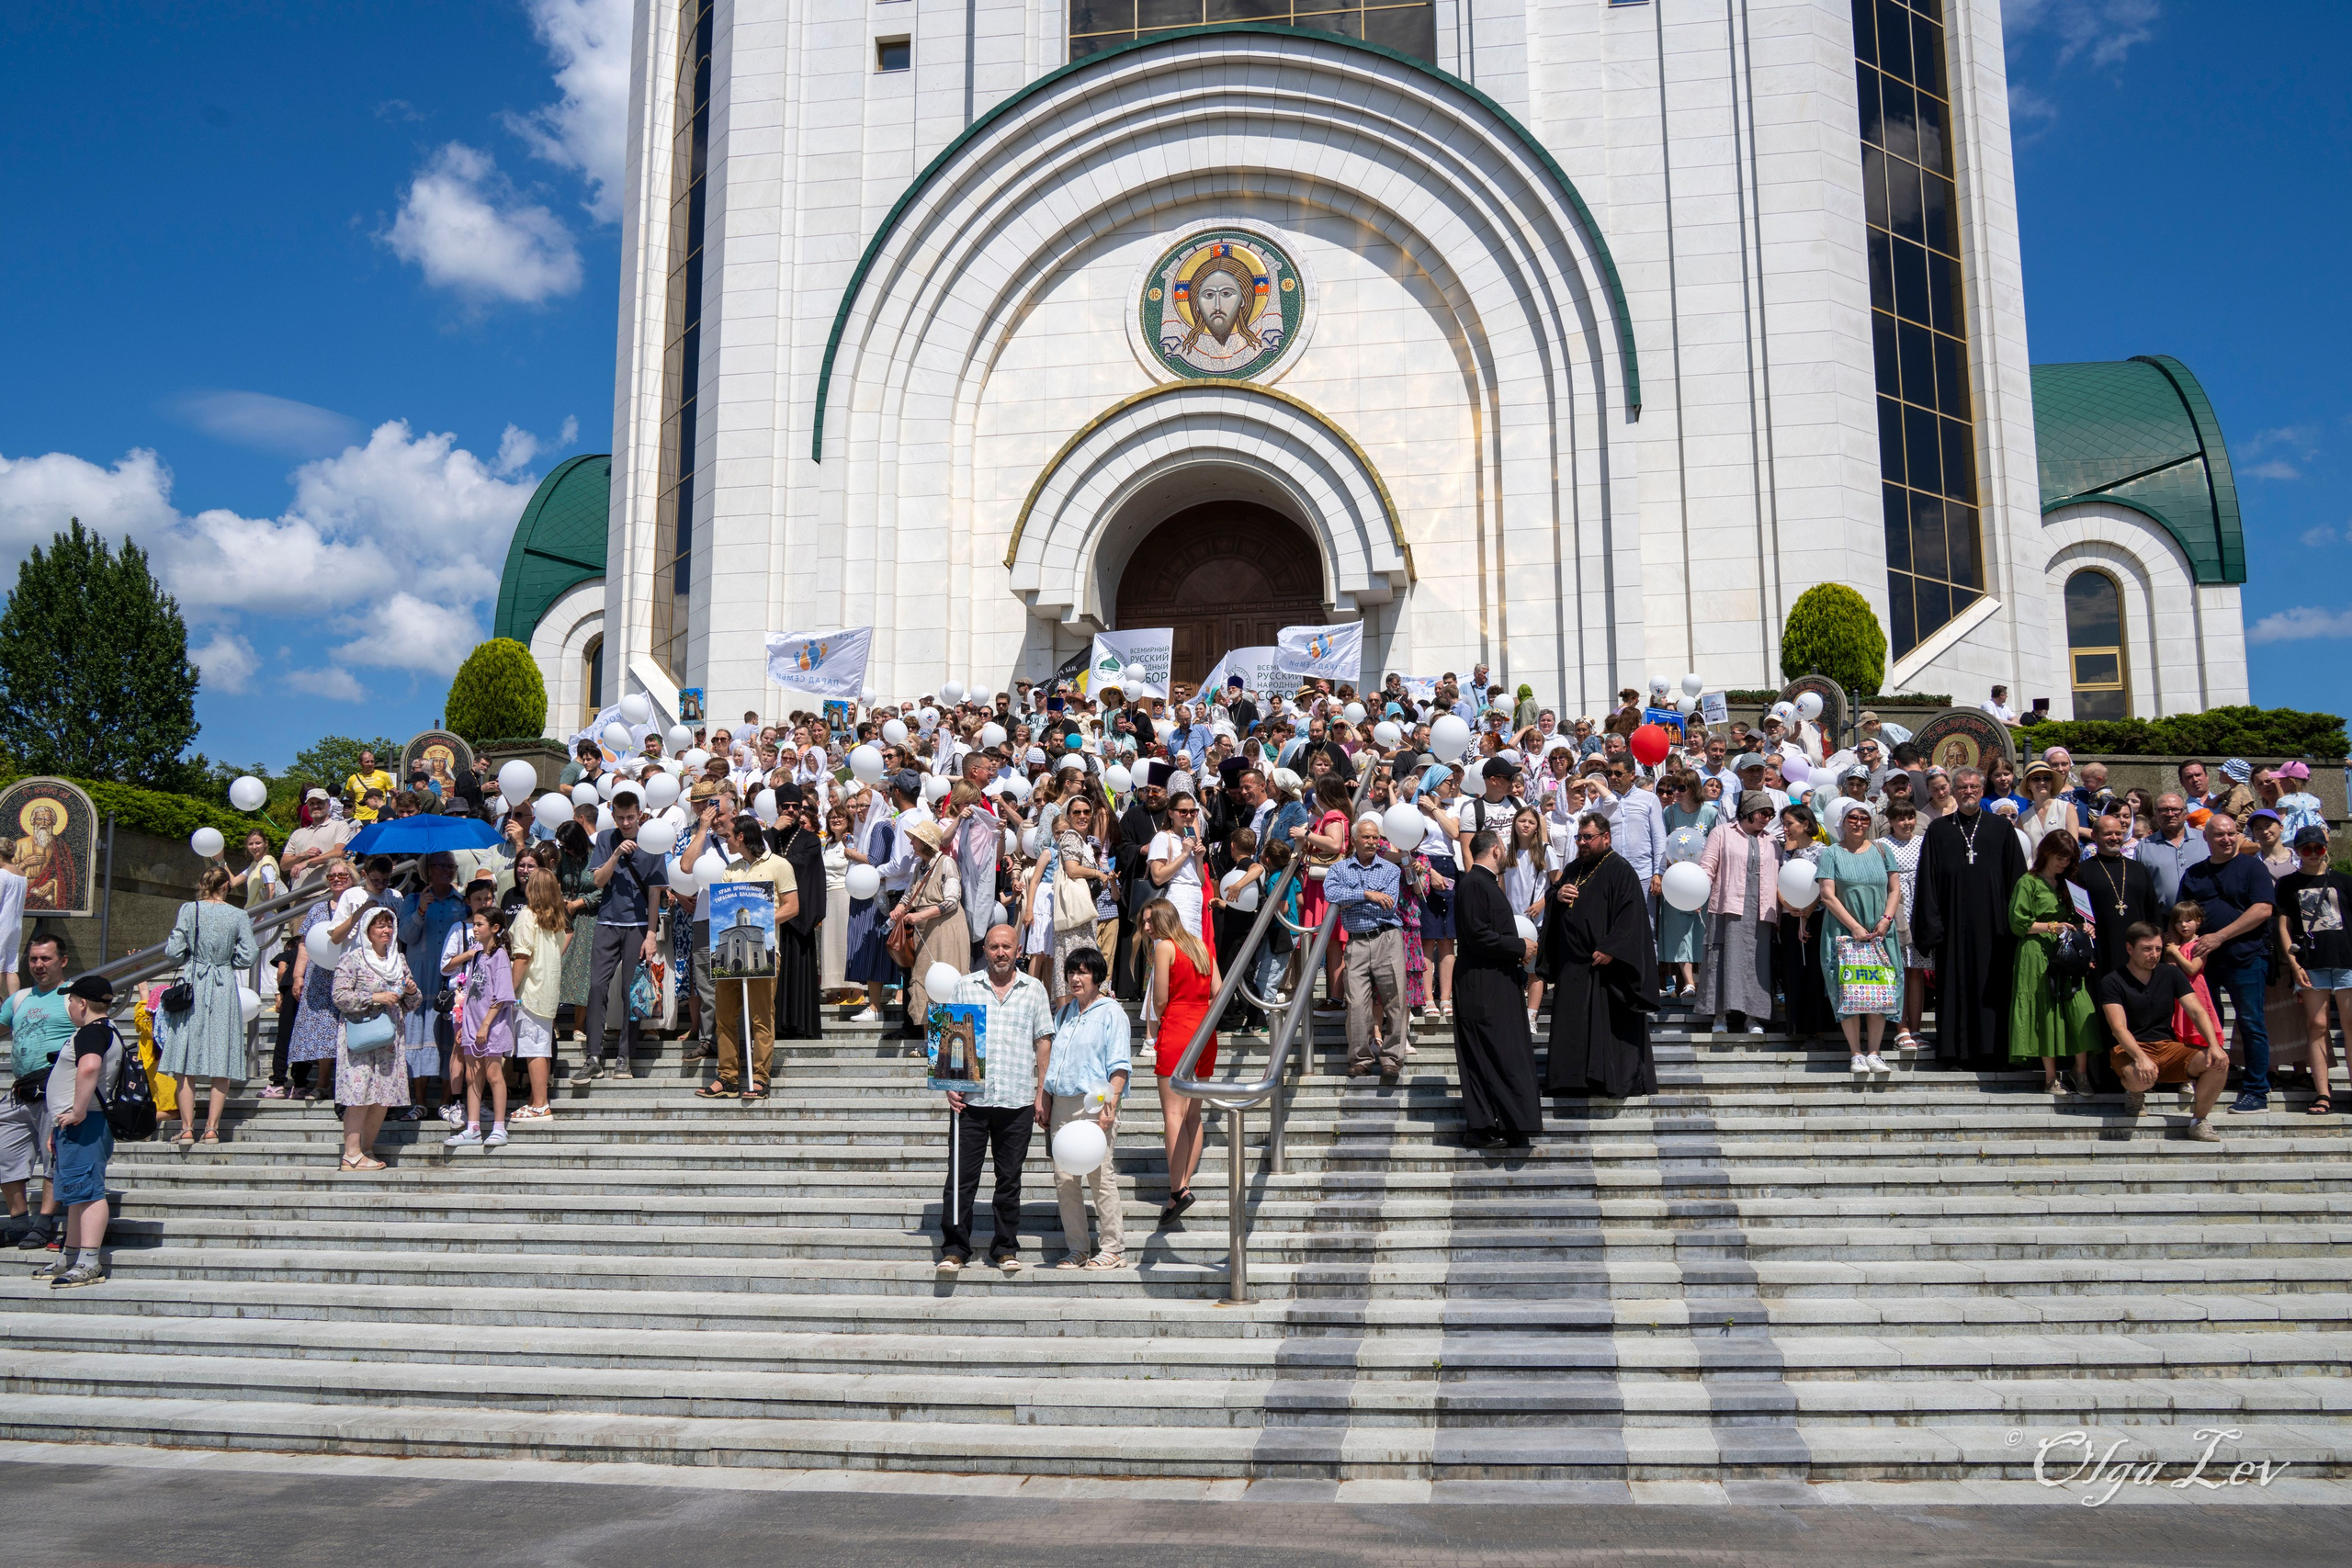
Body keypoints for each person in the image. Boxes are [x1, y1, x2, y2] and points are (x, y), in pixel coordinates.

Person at [937, 924, 1055, 1273]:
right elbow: (949, 1033)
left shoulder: (1034, 989)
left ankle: (1004, 1248)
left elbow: (1043, 1041)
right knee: (960, 1178)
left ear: (1018, 950)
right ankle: (955, 1248)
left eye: (1007, 946)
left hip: (1017, 1098)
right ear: (984, 950)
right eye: (993, 947)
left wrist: (1041, 1091)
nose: (1000, 952)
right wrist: (948, 1083)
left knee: (1009, 1179)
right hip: (971, 1101)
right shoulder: (965, 985)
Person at [1911, 768, 2028, 1068]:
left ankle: (1993, 1052)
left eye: (1974, 786)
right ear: (1952, 790)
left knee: (1992, 989)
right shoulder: (1939, 830)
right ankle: (1954, 1052)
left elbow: (2017, 880)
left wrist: (2016, 924)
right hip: (1953, 928)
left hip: (1995, 928)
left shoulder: (2001, 829)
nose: (1968, 791)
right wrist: (1931, 927)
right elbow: (1927, 882)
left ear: (1981, 789)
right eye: (1962, 787)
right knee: (1954, 988)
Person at [1539, 812, 1657, 1099]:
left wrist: (1612, 948)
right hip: (1572, 965)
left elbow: (1632, 916)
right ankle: (1569, 1081)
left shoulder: (1620, 869)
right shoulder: (1572, 868)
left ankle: (1607, 1081)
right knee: (1572, 1026)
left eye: (1587, 837)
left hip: (1604, 966)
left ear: (1606, 838)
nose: (1582, 843)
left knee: (1606, 1027)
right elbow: (1553, 899)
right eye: (1579, 838)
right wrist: (1557, 895)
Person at [1451, 829, 1544, 1147]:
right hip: (1482, 986)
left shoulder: (1483, 884)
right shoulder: (1474, 883)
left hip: (1494, 983)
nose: (1505, 855)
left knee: (1501, 1053)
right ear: (1495, 851)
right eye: (1503, 849)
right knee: (1489, 1054)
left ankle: (1506, 1123)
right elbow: (1477, 936)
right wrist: (1520, 946)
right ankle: (1485, 1126)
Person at [2180, 813, 2278, 1112]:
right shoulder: (2195, 873)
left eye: (2231, 834)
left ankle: (2256, 1091)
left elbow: (2263, 909)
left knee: (2251, 1023)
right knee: (2204, 1023)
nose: (2226, 839)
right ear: (2206, 839)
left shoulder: (2252, 867)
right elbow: (2181, 914)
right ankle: (2208, 1076)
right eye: (2219, 835)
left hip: (2246, 957)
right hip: (2203, 962)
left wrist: (2219, 936)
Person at [1039, 948, 1130, 1269]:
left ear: (1097, 977)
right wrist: (1044, 1098)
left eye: (1083, 972)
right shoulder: (1064, 1013)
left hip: (1094, 1103)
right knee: (1064, 1178)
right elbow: (1053, 1065)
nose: (1075, 978)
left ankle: (1113, 1248)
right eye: (1071, 972)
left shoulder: (1111, 1012)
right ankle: (1077, 1247)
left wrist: (1111, 1104)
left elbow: (1120, 1064)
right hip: (1062, 1104)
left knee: (1100, 1175)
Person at [156, 864, 259, 1145]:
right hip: (223, 984)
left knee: (185, 1058)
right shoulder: (239, 914)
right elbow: (250, 954)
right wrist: (227, 962)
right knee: (221, 1056)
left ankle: (188, 1128)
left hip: (194, 982)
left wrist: (192, 955)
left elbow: (174, 951)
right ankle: (212, 1129)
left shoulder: (189, 909)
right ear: (227, 886)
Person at [2094, 922, 2228, 1138]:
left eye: (2158, 949)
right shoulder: (2113, 981)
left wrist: (2214, 1045)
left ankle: (2199, 1121)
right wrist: (2140, 1057)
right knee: (2142, 1077)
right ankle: (2135, 1093)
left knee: (2219, 1062)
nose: (2154, 954)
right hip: (2129, 1049)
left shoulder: (2171, 974)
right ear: (2130, 949)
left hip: (2167, 1047)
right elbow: (2118, 1028)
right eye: (2147, 949)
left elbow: (2196, 1011)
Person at [35, 974, 125, 1287]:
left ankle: (88, 1261)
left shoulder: (91, 1033)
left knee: (88, 1192)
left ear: (82, 1003)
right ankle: (71, 1254)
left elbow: (88, 1067)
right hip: (78, 1124)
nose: (69, 1006)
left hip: (85, 1122)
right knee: (75, 1192)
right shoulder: (106, 1030)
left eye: (71, 1001)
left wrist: (77, 1109)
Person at [578, 790, 668, 1080]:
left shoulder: (652, 839)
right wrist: (616, 854)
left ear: (639, 814)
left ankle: (624, 1057)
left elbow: (655, 893)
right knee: (596, 987)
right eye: (620, 818)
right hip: (607, 922)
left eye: (631, 817)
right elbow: (597, 880)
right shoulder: (605, 839)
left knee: (632, 992)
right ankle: (593, 1056)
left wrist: (652, 934)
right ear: (613, 815)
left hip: (639, 926)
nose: (626, 823)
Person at [711, 812, 800, 1099]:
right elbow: (723, 910)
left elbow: (793, 906)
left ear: (742, 837)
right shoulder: (731, 870)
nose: (725, 841)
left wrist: (764, 917)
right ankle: (727, 1077)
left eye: (729, 836)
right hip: (728, 949)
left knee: (761, 1016)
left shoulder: (779, 865)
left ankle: (760, 1077)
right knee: (724, 1015)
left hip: (763, 950)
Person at [1144, 897, 1219, 1218]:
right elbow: (1218, 989)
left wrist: (1167, 1017)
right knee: (1192, 1116)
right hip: (1204, 1031)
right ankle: (1183, 1185)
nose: (1146, 927)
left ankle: (1178, 1190)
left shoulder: (1165, 947)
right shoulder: (1201, 945)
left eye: (1149, 921)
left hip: (1177, 1029)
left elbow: (1159, 999)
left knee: (1173, 1115)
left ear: (1163, 920)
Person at [2010, 829, 2099, 1097]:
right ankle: (2051, 1078)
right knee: (2045, 1010)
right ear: (2047, 853)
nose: (2064, 863)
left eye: (2069, 859)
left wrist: (2086, 927)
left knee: (2080, 1008)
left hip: (2067, 952)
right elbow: (2017, 923)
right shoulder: (2029, 881)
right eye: (2060, 858)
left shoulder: (2068, 883)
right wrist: (2052, 926)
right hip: (2037, 952)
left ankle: (2080, 1072)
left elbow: (2077, 917)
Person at [1817, 800, 1903, 1075]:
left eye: (1864, 818)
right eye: (1853, 818)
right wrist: (1854, 926)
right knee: (1849, 990)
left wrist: (1886, 920)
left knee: (1878, 990)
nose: (1858, 823)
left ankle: (1875, 1052)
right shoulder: (1831, 853)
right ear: (1842, 821)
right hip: (1845, 931)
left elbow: (1894, 888)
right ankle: (1855, 1052)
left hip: (1879, 931)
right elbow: (1827, 895)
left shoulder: (1882, 849)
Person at [0, 935, 74, 1251]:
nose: (38, 966)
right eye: (33, 960)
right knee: (4, 1155)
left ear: (63, 961)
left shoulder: (75, 998)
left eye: (46, 959)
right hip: (19, 1092)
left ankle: (43, 1223)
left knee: (52, 1158)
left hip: (55, 1091)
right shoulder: (19, 999)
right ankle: (19, 1222)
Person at [332, 906, 417, 1169]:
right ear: (368, 930)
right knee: (360, 1093)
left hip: (390, 1039)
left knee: (383, 1096)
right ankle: (351, 1154)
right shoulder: (352, 959)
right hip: (362, 1035)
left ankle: (365, 1150)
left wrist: (412, 991)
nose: (387, 930)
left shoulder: (398, 960)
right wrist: (374, 997)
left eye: (389, 925)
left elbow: (412, 1003)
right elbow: (339, 996)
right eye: (380, 925)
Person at [1324, 818, 1409, 1077]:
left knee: (1395, 999)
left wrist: (1351, 898)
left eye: (1376, 838)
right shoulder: (1339, 869)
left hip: (1387, 938)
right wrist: (1367, 894)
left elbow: (1390, 904)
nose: (1372, 842)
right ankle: (1360, 1058)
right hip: (1357, 941)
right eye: (1367, 837)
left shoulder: (1390, 869)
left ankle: (1392, 1057)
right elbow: (1331, 893)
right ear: (1354, 840)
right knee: (1357, 1003)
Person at [2274, 824, 2349, 1116]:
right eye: (2307, 849)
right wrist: (2292, 964)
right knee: (2317, 1026)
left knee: (2350, 1025)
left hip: (2346, 960)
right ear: (2298, 852)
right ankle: (2322, 1093)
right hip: (2310, 963)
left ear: (2325, 849)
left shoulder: (2344, 881)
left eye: (2318, 848)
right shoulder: (2288, 884)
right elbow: (2283, 925)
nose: (2313, 853)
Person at [1695, 794, 1782, 1035]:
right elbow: (1707, 866)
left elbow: (1780, 878)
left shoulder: (1772, 841)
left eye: (1771, 815)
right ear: (1748, 811)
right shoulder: (1722, 832)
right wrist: (1696, 892)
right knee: (1721, 958)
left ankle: (1753, 1017)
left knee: (1757, 964)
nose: (1767, 819)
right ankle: (1719, 1016)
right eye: (1763, 813)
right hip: (1727, 906)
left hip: (1762, 910)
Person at [443, 908, 517, 1147]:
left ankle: (498, 1127)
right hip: (472, 1025)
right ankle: (472, 1128)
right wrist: (465, 1025)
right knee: (471, 1075)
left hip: (491, 1027)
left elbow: (502, 996)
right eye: (474, 924)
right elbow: (473, 994)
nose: (474, 928)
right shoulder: (476, 955)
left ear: (494, 928)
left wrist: (485, 1025)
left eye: (479, 924)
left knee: (494, 1075)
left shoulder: (500, 956)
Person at [508, 867, 569, 1122]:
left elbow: (522, 956)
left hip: (530, 991)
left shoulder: (526, 915)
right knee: (541, 1049)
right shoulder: (556, 919)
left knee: (534, 1050)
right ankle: (537, 1101)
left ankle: (540, 1104)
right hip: (548, 990)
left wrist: (507, 990)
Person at [895, 818, 967, 1028]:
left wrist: (920, 916)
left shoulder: (946, 863)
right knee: (923, 979)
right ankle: (930, 1039)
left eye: (915, 840)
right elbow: (909, 895)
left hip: (946, 928)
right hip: (925, 929)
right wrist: (900, 908)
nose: (911, 844)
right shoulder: (920, 867)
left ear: (925, 842)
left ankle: (949, 1037)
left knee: (946, 979)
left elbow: (952, 901)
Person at [2073, 813, 2162, 982]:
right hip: (2102, 950)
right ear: (2094, 836)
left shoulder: (2138, 869)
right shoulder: (2082, 871)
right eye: (2108, 834)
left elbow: (2152, 912)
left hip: (2138, 949)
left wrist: (2156, 947)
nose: (2114, 838)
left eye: (2118, 833)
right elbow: (2079, 916)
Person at [769, 784, 827, 1039]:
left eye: (796, 807)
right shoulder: (769, 837)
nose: (791, 811)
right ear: (778, 808)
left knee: (797, 973)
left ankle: (799, 1025)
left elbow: (801, 867)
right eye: (786, 807)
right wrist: (772, 831)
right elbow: (755, 856)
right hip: (771, 917)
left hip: (796, 917)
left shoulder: (810, 839)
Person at [1876, 801, 1928, 1052]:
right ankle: (1901, 1028)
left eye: (1910, 817)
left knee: (1916, 970)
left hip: (1918, 908)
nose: (1906, 823)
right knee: (1897, 969)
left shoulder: (1923, 842)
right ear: (1891, 821)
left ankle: (1916, 1028)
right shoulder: (1882, 846)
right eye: (1901, 819)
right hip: (1895, 910)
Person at [2133, 793, 2208, 909]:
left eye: (2175, 809)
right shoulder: (2144, 847)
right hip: (2163, 919)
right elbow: (2139, 887)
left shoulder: (2205, 840)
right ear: (2156, 814)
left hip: (2203, 916)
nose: (2170, 814)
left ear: (2185, 812)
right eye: (2163, 810)